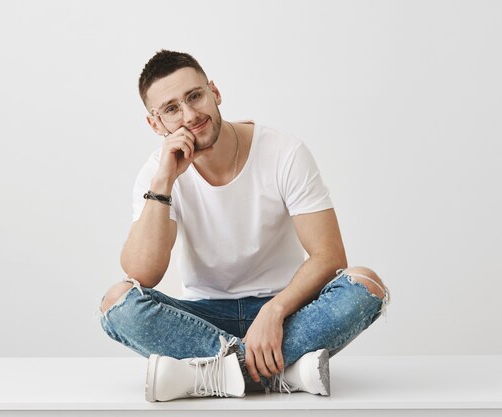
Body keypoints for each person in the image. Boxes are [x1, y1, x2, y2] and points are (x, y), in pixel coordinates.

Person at [98, 50, 390, 402]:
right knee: (117, 303)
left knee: (366, 284)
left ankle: (207, 375)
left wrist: (275, 310)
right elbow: (141, 274)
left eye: (195, 96)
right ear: (155, 124)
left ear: (215, 93)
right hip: (202, 318)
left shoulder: (284, 151)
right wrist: (163, 183)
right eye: (172, 109)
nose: (191, 116)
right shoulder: (156, 174)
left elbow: (328, 256)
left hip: (284, 311)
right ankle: (286, 373)